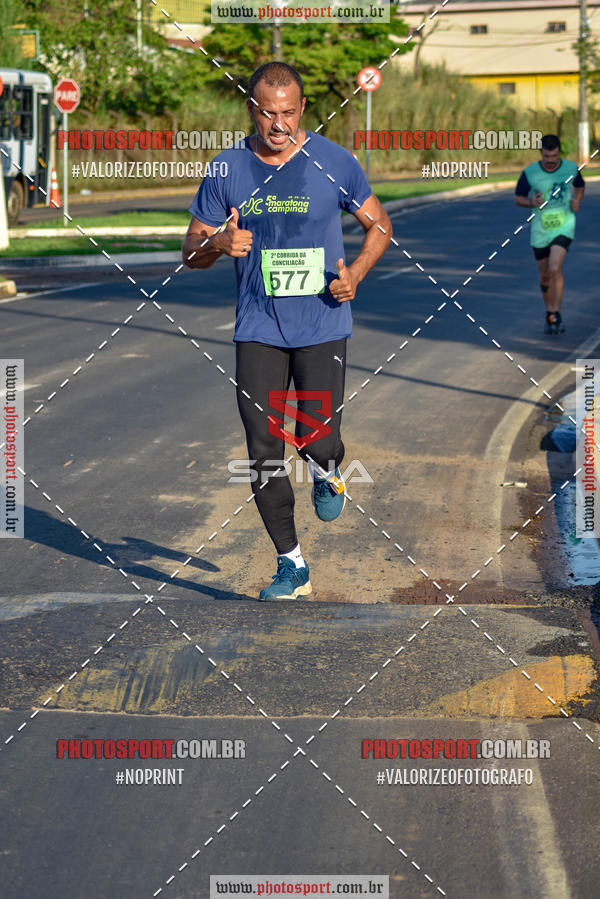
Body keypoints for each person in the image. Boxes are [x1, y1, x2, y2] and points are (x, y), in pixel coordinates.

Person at [182, 61, 392, 600]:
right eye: (267, 113)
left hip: (323, 321)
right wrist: (218, 246)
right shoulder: (227, 168)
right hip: (258, 326)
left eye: (289, 112)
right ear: (251, 109)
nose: (279, 124)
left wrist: (356, 275)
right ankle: (291, 564)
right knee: (264, 446)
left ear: (303, 109)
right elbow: (190, 252)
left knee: (318, 436)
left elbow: (381, 225)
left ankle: (327, 468)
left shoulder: (334, 162)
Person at [515, 134, 584, 335]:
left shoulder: (571, 168)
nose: (551, 161)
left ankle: (557, 312)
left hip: (564, 226)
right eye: (547, 156)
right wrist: (530, 203)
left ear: (559, 153)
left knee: (555, 268)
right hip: (540, 231)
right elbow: (518, 198)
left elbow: (580, 186)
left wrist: (577, 200)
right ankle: (549, 312)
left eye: (554, 156)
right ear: (541, 154)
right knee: (545, 276)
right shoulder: (530, 172)